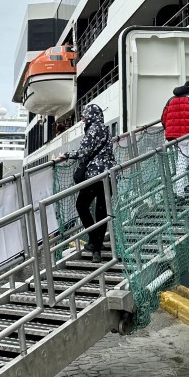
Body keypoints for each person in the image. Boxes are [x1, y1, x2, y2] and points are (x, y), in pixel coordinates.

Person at [57, 104, 115, 263]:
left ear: (90, 116)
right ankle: (97, 249)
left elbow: (83, 151)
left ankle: (94, 240)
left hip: (94, 176)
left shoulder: (93, 129)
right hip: (109, 174)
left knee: (81, 206)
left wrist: (66, 154)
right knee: (101, 212)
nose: (83, 120)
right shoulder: (105, 129)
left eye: (84, 117)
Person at [161, 81, 189, 199]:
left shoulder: (171, 100)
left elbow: (163, 119)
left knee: (181, 166)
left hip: (178, 138)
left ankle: (180, 194)